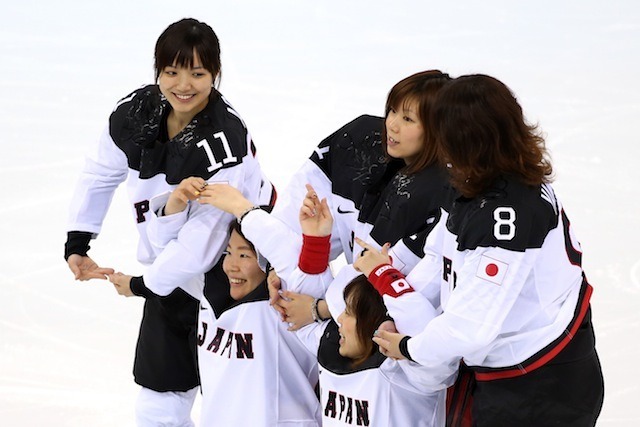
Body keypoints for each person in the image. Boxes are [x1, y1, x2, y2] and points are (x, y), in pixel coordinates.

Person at [358, 74, 605, 426]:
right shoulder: (476, 181)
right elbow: (439, 261)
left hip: (541, 389)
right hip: (506, 377)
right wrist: (395, 296)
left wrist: (408, 347)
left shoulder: (507, 216)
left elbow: (469, 330)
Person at [65, 18, 274, 426]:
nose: (184, 85)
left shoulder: (225, 140)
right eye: (172, 71)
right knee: (157, 404)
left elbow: (202, 247)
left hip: (232, 280)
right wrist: (78, 241)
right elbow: (100, 172)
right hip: (170, 273)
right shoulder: (134, 113)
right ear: (158, 71)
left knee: (234, 405)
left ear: (215, 74)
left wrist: (144, 286)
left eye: (198, 73)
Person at [197, 183, 450, 426]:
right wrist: (315, 242)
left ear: (375, 321)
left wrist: (383, 274)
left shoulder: (410, 372)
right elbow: (299, 289)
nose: (338, 319)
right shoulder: (330, 345)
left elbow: (422, 328)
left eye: (348, 313)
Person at [269, 70, 455, 321]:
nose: (392, 124)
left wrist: (318, 310)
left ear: (439, 128)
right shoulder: (357, 142)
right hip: (346, 308)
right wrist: (277, 268)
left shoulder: (444, 194)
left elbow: (401, 289)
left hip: (396, 330)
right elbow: (297, 214)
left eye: (408, 119)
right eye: (392, 110)